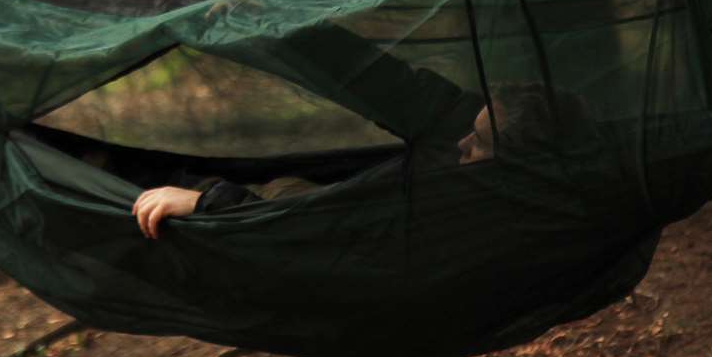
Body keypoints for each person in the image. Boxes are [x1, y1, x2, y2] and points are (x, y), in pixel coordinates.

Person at [132, 95, 506, 239]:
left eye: (479, 141)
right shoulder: (462, 179)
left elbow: (309, 232)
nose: (462, 142)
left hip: (261, 217)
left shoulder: (452, 220)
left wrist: (203, 204)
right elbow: (381, 79)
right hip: (266, 197)